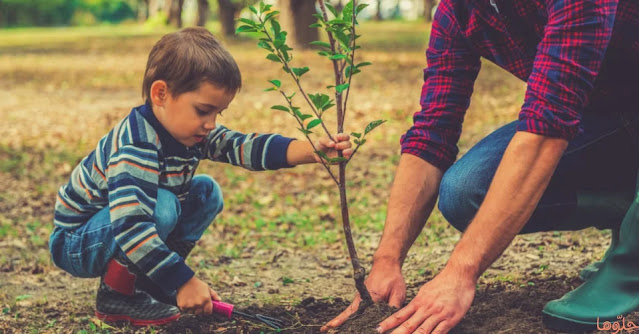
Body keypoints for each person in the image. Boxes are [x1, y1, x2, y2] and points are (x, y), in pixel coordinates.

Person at [322, 0, 639, 333]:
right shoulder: (459, 11)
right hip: (607, 113)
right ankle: (627, 208)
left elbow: (546, 129)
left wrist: (460, 273)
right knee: (467, 190)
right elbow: (432, 132)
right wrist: (387, 260)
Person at [48, 27, 352, 326]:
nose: (211, 124)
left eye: (218, 113)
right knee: (162, 205)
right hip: (78, 241)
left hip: (119, 228)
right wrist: (184, 282)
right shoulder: (136, 145)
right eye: (204, 110)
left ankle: (151, 284)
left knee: (206, 192)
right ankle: (118, 296)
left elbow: (242, 145)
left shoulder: (190, 131)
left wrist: (311, 151)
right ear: (161, 93)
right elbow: (130, 227)